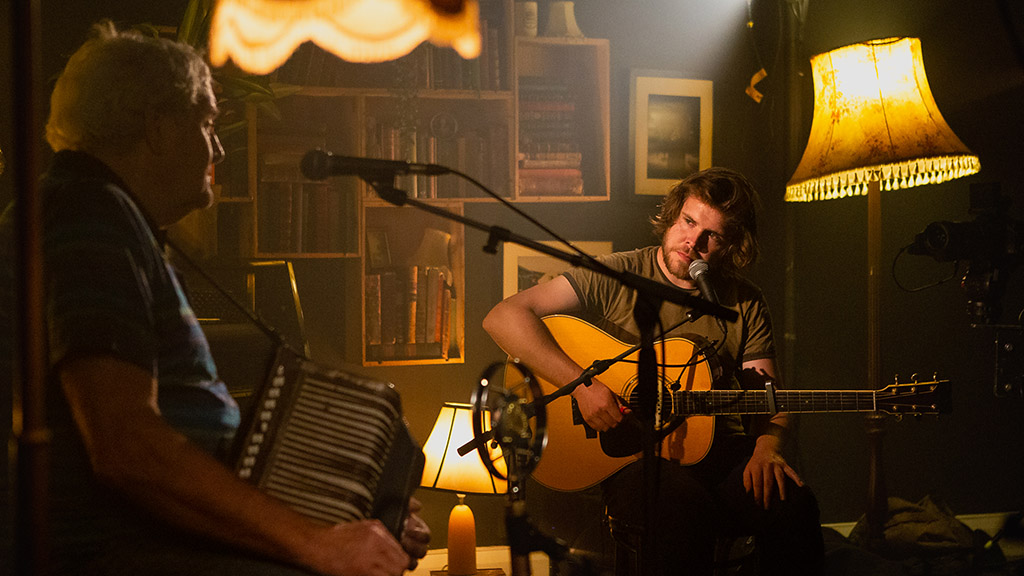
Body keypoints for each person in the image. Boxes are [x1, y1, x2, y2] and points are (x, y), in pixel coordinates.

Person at [0, 21, 428, 576]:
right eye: (207, 123)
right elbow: (126, 445)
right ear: (158, 128)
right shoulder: (89, 216)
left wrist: (356, 518)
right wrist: (317, 543)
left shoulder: (89, 210)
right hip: (120, 552)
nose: (219, 147)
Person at [482, 168, 824, 575]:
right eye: (689, 222)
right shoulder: (616, 275)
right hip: (633, 457)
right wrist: (581, 386)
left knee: (794, 504)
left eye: (712, 236)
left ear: (732, 246)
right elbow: (503, 317)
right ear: (673, 214)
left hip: (721, 453)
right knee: (679, 508)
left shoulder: (744, 301)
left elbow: (769, 399)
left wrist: (767, 447)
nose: (693, 243)